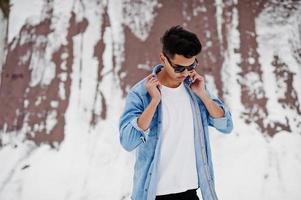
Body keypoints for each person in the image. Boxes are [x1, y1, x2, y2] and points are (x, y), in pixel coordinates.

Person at [119, 25, 233, 200]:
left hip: (190, 192)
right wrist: (154, 101)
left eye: (191, 66)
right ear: (163, 59)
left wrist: (203, 95)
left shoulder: (195, 88)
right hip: (154, 194)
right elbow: (128, 142)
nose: (186, 73)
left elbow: (226, 126)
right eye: (179, 68)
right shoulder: (141, 93)